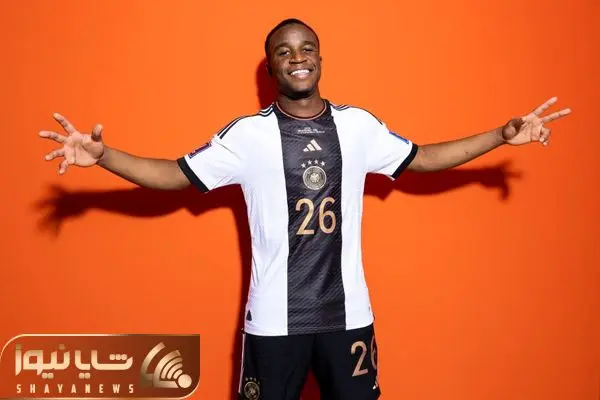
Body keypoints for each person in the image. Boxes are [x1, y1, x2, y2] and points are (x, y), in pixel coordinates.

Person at [39, 18, 571, 400]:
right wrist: (104, 156)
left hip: (349, 316)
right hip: (274, 320)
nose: (297, 57)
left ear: (320, 58)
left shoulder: (358, 126)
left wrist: (501, 136)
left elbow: (425, 158)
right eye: (284, 51)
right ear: (271, 66)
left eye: (306, 48)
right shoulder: (247, 136)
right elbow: (174, 174)